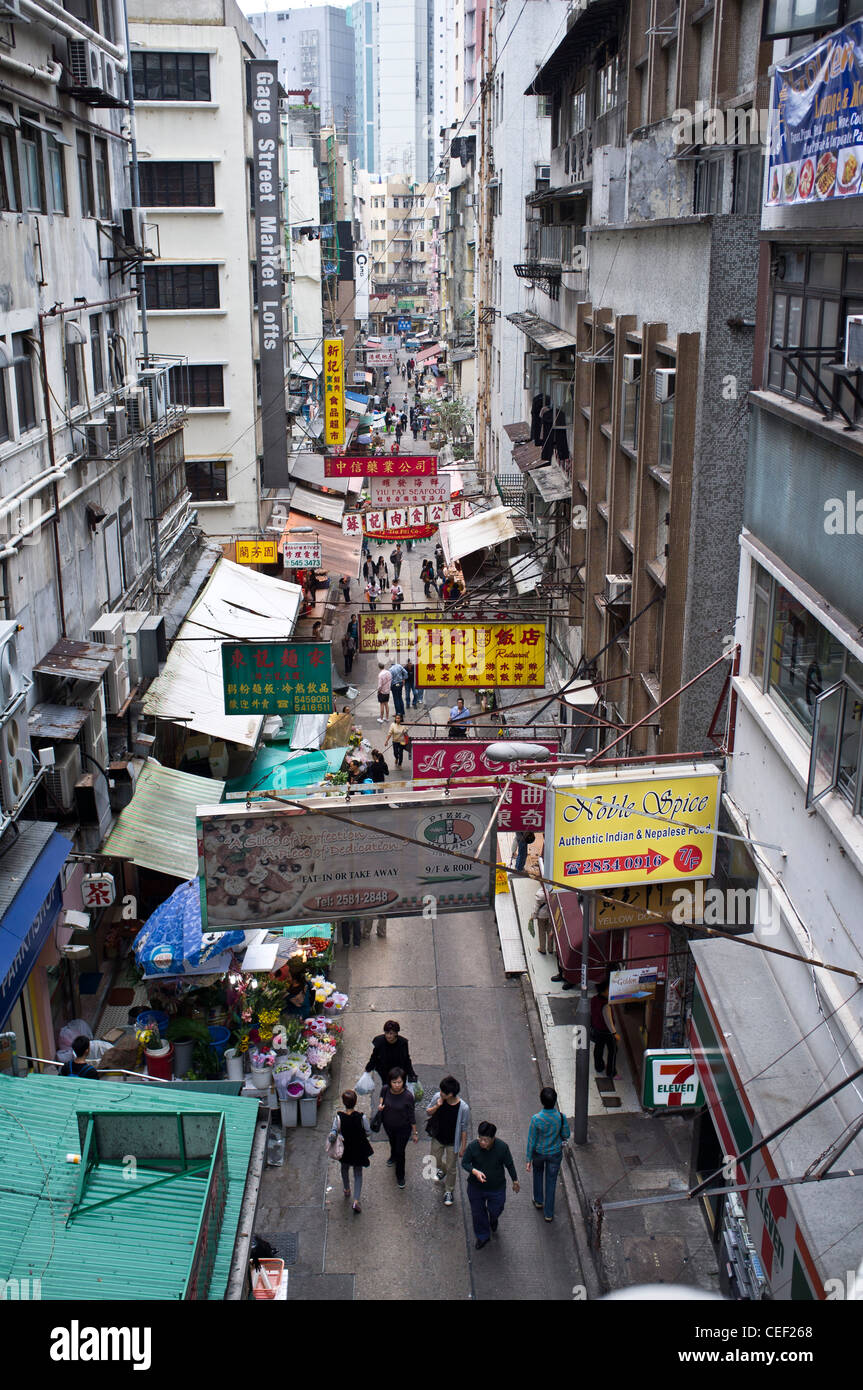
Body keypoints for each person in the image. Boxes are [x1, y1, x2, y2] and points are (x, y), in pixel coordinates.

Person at [461, 1121, 520, 1249]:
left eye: (485, 1140)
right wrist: (475, 1171)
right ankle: (483, 1236)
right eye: (480, 1139)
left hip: (496, 1187)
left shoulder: (502, 1148)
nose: (482, 1142)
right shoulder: (473, 1147)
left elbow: (509, 1164)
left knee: (496, 1209)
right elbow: (465, 1163)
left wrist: (515, 1180)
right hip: (475, 1187)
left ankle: (493, 1219)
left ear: (493, 1138)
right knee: (478, 1213)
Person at [526, 1086, 571, 1223]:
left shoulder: (536, 1119)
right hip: (555, 1154)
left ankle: (538, 1201)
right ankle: (549, 1214)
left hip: (539, 1153)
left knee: (538, 1174)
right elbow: (566, 1134)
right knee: (551, 1182)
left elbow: (531, 1140)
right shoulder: (561, 1118)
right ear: (555, 1100)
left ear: (541, 1101)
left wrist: (528, 1159)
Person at [426, 1076, 470, 1207]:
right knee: (435, 1160)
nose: (440, 1093)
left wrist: (463, 1147)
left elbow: (463, 1128)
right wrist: (437, 1106)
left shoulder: (463, 1108)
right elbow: (428, 1112)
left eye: (443, 1092)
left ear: (450, 1094)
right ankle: (442, 1170)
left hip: (452, 1142)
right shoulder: (437, 1098)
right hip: (438, 1137)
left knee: (452, 1168)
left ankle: (449, 1191)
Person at [329, 1089, 374, 1213]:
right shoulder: (361, 1117)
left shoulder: (339, 1117)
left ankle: (347, 1189)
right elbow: (368, 1132)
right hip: (358, 1149)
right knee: (358, 1173)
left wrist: (333, 1136)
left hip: (345, 1149)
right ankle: (356, 1200)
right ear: (355, 1102)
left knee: (344, 1168)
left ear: (344, 1102)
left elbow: (334, 1130)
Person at [376, 1068, 418, 1188]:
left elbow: (411, 1116)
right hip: (388, 1125)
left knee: (401, 1152)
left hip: (403, 1129)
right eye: (394, 1082)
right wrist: (380, 1105)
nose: (397, 1085)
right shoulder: (385, 1089)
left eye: (399, 1082)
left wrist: (414, 1133)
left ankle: (400, 1176)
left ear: (403, 1082)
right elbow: (381, 1097)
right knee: (392, 1143)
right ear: (390, 1082)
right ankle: (392, 1156)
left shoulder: (408, 1096)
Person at [365, 1020, 418, 1094]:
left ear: (396, 1033)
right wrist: (368, 1069)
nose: (388, 1036)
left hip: (399, 1072)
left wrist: (411, 1074)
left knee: (400, 1089)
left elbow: (406, 1059)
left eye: (391, 1033)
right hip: (385, 1073)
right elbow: (374, 1057)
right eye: (386, 1033)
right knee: (387, 1089)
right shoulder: (379, 1042)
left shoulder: (403, 1043)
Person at [590, 981, 620, 1079]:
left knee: (598, 1049)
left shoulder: (594, 999)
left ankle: (599, 1067)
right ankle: (611, 1072)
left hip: (597, 1029)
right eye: (608, 990)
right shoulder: (606, 1005)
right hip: (607, 1032)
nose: (610, 991)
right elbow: (609, 1021)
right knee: (613, 1050)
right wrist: (615, 1033)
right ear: (603, 991)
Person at [531, 886, 553, 955]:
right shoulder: (551, 894)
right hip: (549, 916)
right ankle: (550, 949)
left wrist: (533, 917)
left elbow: (536, 908)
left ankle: (542, 949)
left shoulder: (539, 896)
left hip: (541, 917)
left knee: (542, 933)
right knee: (550, 932)